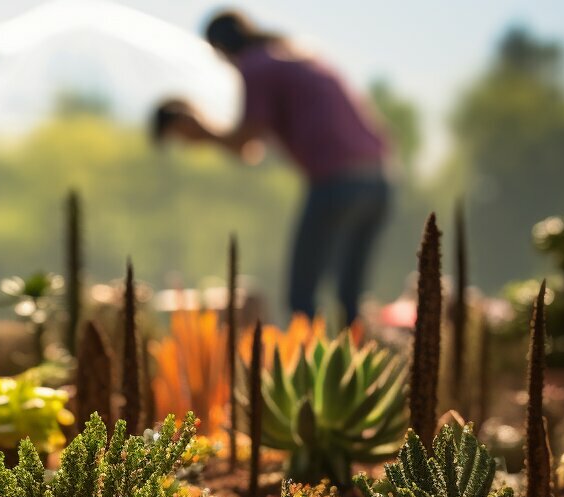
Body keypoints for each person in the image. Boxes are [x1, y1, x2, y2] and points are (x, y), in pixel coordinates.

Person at [155, 10, 391, 327]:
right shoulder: (292, 54)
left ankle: (307, 370)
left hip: (337, 182)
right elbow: (254, 146)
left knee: (301, 299)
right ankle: (359, 370)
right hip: (380, 181)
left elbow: (246, 141)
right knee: (349, 298)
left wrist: (201, 131)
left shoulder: (256, 66)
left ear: (220, 49)